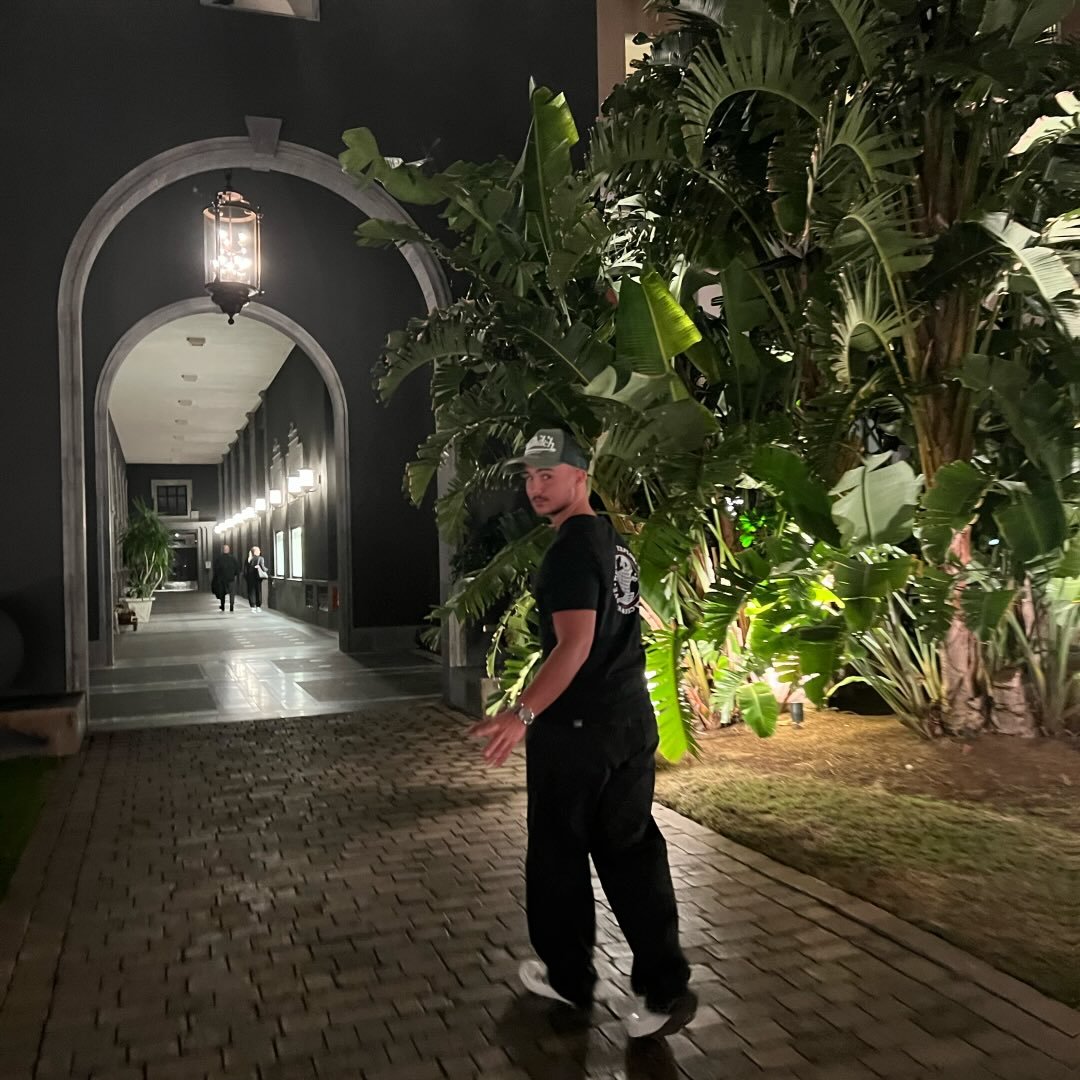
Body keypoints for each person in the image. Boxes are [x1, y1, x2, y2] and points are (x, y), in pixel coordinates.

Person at [471, 429, 696, 1039]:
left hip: (577, 732)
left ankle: (570, 978)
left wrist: (521, 714)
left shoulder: (571, 550)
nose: (535, 487)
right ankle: (666, 988)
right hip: (629, 719)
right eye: (529, 477)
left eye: (548, 475)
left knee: (557, 857)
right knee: (631, 852)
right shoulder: (613, 544)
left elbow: (573, 645)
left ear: (580, 477)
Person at [210, 543, 240, 613]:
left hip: (222, 579)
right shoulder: (233, 558)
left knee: (222, 593)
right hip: (231, 579)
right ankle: (231, 606)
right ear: (228, 550)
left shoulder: (219, 559)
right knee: (232, 593)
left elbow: (216, 569)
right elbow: (237, 568)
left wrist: (218, 576)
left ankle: (222, 605)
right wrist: (234, 574)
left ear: (222, 550)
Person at [245, 545, 268, 613]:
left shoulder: (248, 559)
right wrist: (267, 570)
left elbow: (245, 570)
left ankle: (252, 606)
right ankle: (258, 606)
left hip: (250, 578)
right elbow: (263, 568)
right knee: (258, 591)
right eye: (258, 550)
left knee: (251, 592)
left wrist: (247, 577)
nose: (260, 551)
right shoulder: (260, 558)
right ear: (255, 552)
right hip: (257, 578)